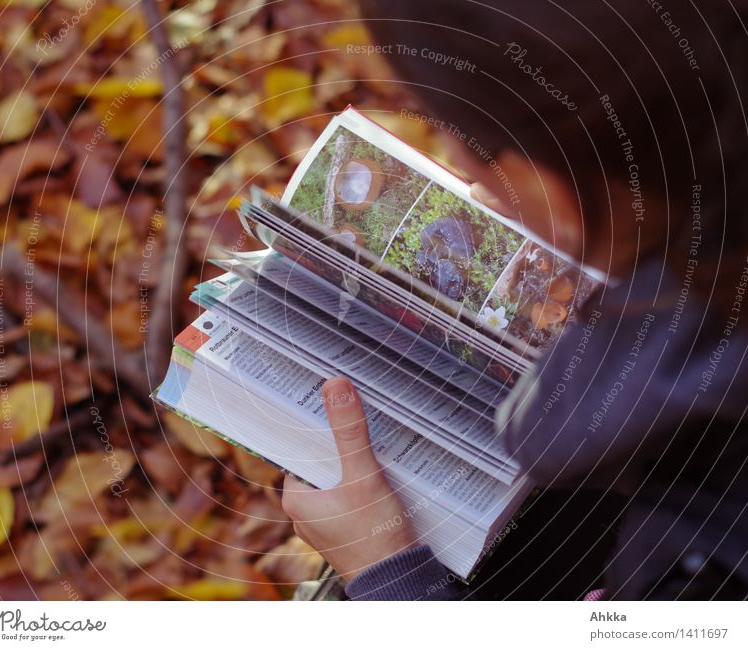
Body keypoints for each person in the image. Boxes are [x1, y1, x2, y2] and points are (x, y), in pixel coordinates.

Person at [281, 0, 748, 599]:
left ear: (544, 187)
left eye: (442, 125)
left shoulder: (696, 574)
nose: (450, 154)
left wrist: (387, 574)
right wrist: (600, 245)